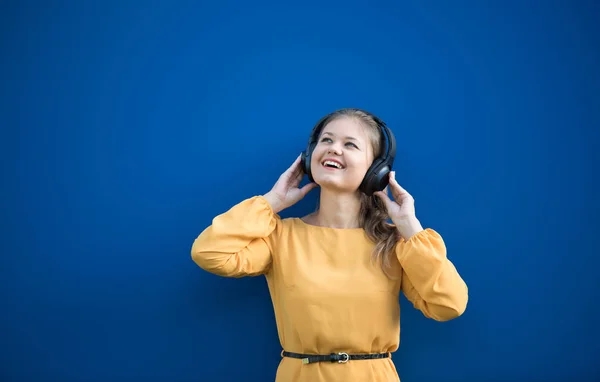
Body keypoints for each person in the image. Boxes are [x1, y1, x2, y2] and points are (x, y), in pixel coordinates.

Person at [191, 108, 468, 382]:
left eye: (350, 144)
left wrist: (410, 228)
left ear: (376, 169)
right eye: (326, 140)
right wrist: (271, 202)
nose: (334, 149)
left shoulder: (394, 243)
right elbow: (210, 253)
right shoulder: (281, 236)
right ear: (310, 156)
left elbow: (448, 304)